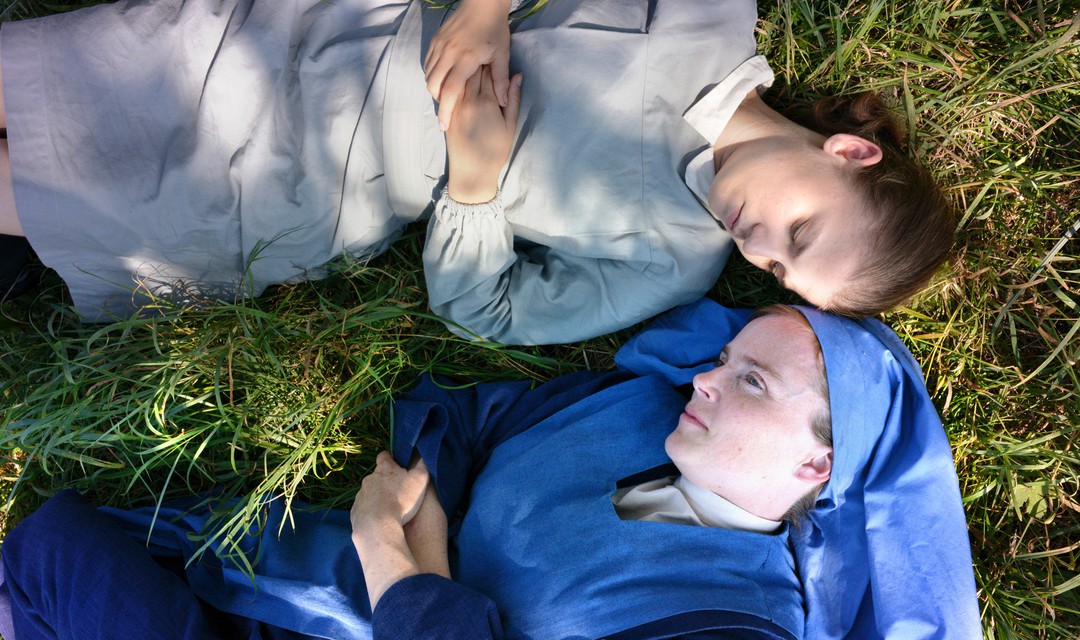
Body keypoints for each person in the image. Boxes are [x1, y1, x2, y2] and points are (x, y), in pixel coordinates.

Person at [0, 300, 981, 639]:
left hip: (352, 596)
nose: (709, 379)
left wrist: (396, 560)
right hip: (292, 596)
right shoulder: (642, 417)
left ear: (822, 459)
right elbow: (473, 418)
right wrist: (424, 511)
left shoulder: (744, 620)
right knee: (53, 547)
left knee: (42, 567)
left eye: (752, 383)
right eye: (723, 360)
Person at [0, 0, 953, 344]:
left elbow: (485, 311)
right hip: (310, 38)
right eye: (799, 232)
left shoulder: (675, 262)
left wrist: (475, 184)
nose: (758, 248)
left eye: (781, 273)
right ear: (851, 153)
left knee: (57, 192)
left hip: (303, 188)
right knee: (47, 76)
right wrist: (489, 5)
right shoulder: (706, 18)